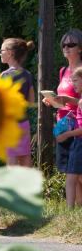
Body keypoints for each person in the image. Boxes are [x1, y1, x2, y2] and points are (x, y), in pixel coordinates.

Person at [44, 29, 82, 207]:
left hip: (77, 125)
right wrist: (52, 100)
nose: (66, 47)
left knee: (77, 172)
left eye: (71, 44)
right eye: (63, 45)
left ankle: (74, 208)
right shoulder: (63, 71)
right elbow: (62, 96)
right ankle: (77, 208)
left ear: (80, 48)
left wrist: (68, 100)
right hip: (63, 123)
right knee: (69, 168)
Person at [0, 38, 35, 167]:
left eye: (1, 50)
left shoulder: (4, 76)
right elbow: (31, 101)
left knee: (11, 163)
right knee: (25, 159)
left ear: (9, 53)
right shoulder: (28, 74)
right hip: (23, 123)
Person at [55, 66, 82, 207]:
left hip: (79, 143)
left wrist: (66, 134)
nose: (73, 84)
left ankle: (69, 210)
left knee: (71, 177)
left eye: (76, 80)